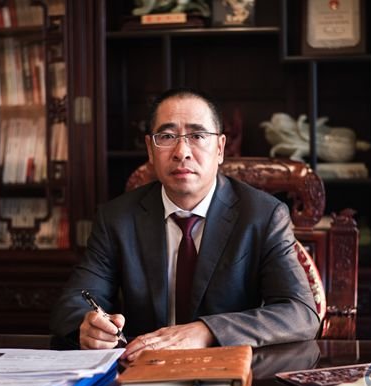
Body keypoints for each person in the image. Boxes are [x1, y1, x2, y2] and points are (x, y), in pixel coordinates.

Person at [50, 88, 320, 361]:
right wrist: (87, 326)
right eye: (167, 137)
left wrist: (207, 331)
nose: (182, 152)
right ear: (150, 149)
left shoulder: (263, 215)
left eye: (198, 136)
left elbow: (300, 312)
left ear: (220, 148)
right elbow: (73, 303)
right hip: (143, 369)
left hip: (227, 368)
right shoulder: (117, 218)